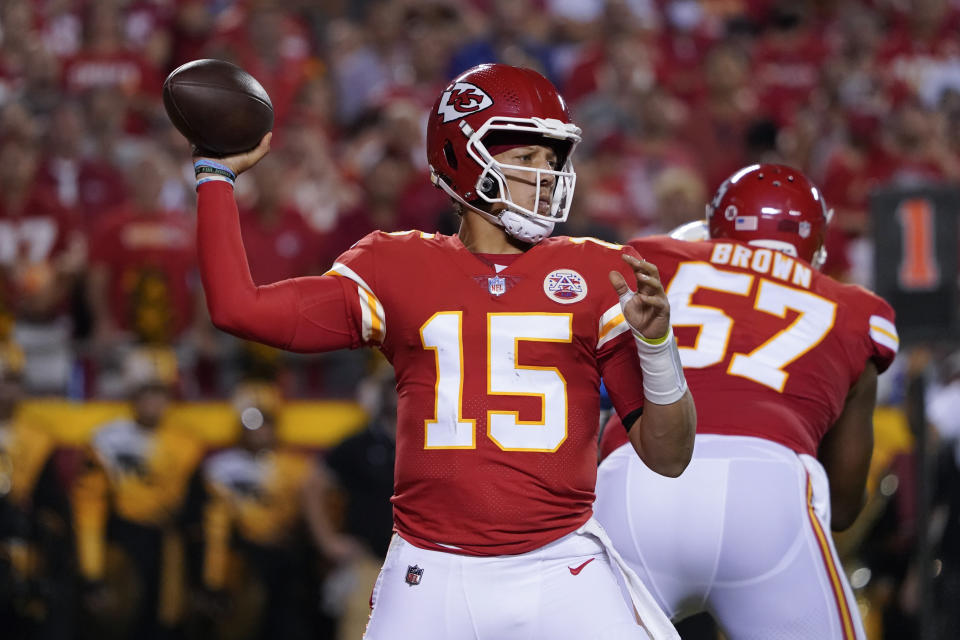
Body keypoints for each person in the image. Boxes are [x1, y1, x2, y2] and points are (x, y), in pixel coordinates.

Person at [192, 63, 696, 639]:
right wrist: (214, 176)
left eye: (552, 159)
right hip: (432, 572)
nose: (546, 175)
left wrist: (657, 346)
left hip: (564, 565)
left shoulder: (599, 269)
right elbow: (237, 308)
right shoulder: (396, 265)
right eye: (525, 158)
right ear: (463, 157)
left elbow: (670, 456)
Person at [594, 163, 899, 640]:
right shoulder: (856, 310)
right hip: (769, 489)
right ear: (814, 243)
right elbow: (843, 507)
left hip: (635, 479)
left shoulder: (652, 256)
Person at [72, 346, 205, 640]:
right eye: (146, 390)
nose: (154, 400)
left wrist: (203, 578)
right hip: (121, 547)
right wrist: (92, 573)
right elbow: (89, 512)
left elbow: (197, 517)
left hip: (170, 551)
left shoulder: (187, 444)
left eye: (160, 390)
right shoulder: (105, 441)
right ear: (132, 392)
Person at [194, 380, 317, 640]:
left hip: (288, 563)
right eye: (253, 421)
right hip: (241, 562)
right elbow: (215, 531)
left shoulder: (297, 468)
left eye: (267, 421)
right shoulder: (220, 469)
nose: (260, 430)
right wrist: (213, 580)